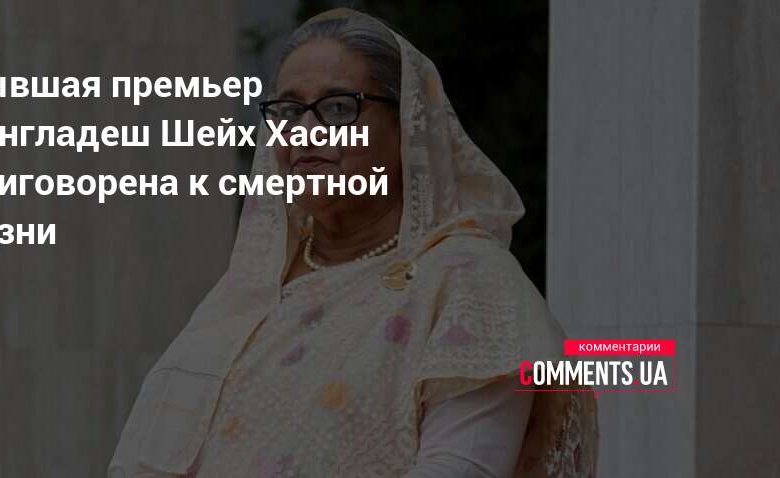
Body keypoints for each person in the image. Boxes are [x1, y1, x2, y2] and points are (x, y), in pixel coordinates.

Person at [109, 8, 598, 478]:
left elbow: (464, 467)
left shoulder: (469, 281)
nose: (305, 131)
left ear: (407, 126)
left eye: (339, 107)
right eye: (288, 110)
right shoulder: (246, 300)